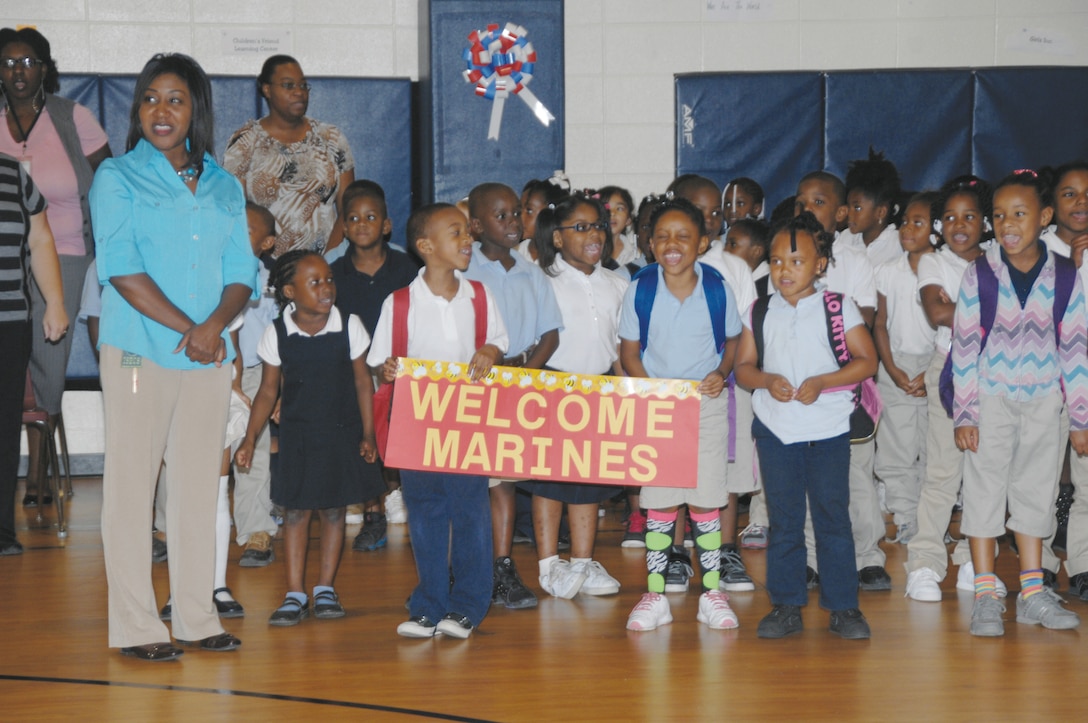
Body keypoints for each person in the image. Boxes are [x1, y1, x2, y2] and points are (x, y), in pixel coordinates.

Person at [91, 53, 255, 660]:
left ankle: (194, 615)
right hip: (139, 354)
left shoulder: (223, 184)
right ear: (138, 110)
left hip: (208, 357)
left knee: (196, 490)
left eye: (176, 99)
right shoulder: (117, 178)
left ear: (196, 111)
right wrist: (193, 329)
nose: (162, 111)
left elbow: (242, 269)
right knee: (132, 488)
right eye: (151, 99)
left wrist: (212, 330)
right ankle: (136, 625)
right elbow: (121, 268)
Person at [952, 170, 1088, 636]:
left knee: (1036, 494)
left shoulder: (1066, 273)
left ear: (1044, 217)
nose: (1007, 223)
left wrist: (1079, 419)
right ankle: (987, 593)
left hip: (1045, 401)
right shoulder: (980, 274)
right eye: (999, 215)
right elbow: (965, 347)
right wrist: (965, 413)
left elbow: (1074, 348)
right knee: (984, 491)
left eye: (1020, 213)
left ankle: (1032, 593)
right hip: (990, 400)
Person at [369, 202, 508, 639]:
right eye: (456, 232)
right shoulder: (400, 302)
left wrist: (490, 352)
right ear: (426, 246)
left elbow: (498, 343)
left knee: (470, 513)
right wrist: (387, 369)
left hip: (468, 425)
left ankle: (468, 605)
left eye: (468, 231)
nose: (467, 239)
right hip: (418, 426)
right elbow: (380, 361)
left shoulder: (480, 296)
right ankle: (429, 603)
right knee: (426, 514)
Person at [736, 212, 877, 640]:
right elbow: (743, 368)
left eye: (796, 261)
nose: (784, 270)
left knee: (833, 516)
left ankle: (844, 606)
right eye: (777, 261)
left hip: (828, 429)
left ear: (820, 264)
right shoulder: (758, 310)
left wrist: (823, 383)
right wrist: (766, 380)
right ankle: (786, 604)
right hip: (776, 430)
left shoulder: (838, 306)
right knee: (785, 518)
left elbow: (866, 360)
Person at [235, 250, 382, 626]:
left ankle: (325, 588)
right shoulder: (277, 332)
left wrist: (369, 433)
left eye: (329, 279)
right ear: (289, 291)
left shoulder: (349, 325)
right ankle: (295, 593)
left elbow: (364, 382)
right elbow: (268, 391)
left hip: (341, 432)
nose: (326, 288)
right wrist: (251, 438)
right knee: (296, 513)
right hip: (298, 435)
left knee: (333, 511)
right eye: (314, 282)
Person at [620, 197, 742, 632]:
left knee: (707, 499)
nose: (672, 245)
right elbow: (629, 352)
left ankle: (712, 593)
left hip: (706, 405)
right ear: (650, 244)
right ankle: (655, 594)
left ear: (703, 243)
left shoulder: (717, 287)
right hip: (658, 406)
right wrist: (651, 389)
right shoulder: (641, 287)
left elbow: (732, 342)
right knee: (659, 503)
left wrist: (720, 373)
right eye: (663, 237)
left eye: (684, 236)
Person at [0, 27, 110, 507]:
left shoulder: (72, 116)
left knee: (48, 357)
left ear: (45, 67)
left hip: (63, 249)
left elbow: (108, 181)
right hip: (6, 253)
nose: (16, 72)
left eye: (27, 62)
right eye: (7, 63)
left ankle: (39, 465)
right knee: (11, 358)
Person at [903, 177, 1005, 602]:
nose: (958, 224)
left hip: (1000, 370)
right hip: (949, 367)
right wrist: (999, 309)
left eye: (969, 216)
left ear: (985, 222)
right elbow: (938, 311)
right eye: (949, 217)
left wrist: (965, 309)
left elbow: (956, 310)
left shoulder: (1002, 256)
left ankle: (972, 563)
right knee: (943, 471)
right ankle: (925, 564)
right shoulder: (933, 261)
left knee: (987, 473)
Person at [464, 182, 562, 611]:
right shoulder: (463, 271)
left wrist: (526, 375)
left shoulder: (531, 272)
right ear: (475, 224)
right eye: (500, 215)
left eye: (517, 213)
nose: (513, 223)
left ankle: (502, 567)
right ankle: (467, 566)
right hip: (473, 381)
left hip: (519, 379)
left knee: (503, 478)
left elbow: (551, 334)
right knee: (469, 479)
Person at [526, 194, 627, 598]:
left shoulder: (618, 283)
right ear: (557, 238)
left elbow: (619, 347)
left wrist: (626, 390)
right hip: (552, 385)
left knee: (588, 478)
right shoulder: (542, 281)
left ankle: (583, 564)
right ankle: (550, 565)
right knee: (549, 479)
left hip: (600, 386)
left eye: (598, 225)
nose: (593, 234)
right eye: (580, 227)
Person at [794, 170, 889, 592]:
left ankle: (867, 556)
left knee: (856, 477)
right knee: (809, 479)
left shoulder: (855, 262)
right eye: (801, 202)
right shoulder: (787, 258)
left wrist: (830, 366)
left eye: (817, 202)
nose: (806, 209)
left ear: (841, 212)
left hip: (846, 385)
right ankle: (811, 558)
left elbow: (863, 324)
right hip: (801, 390)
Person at [668, 174, 759, 594]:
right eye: (697, 211)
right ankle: (676, 551)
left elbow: (743, 330)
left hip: (723, 383)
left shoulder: (732, 266)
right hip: (672, 389)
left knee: (725, 470)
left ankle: (724, 550)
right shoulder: (659, 269)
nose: (709, 220)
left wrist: (731, 376)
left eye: (714, 212)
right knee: (675, 469)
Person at [328, 180, 418, 551]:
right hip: (356, 373)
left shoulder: (409, 268)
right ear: (344, 228)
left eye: (371, 217)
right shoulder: (334, 273)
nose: (362, 224)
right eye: (353, 218)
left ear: (386, 225)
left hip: (402, 370)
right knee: (365, 440)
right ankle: (372, 512)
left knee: (402, 439)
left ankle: (409, 499)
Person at [0, 153, 67, 556]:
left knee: (5, 427)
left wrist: (55, 302)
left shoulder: (12, 173)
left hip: (10, 321)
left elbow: (40, 238)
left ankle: (2, 531)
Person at [224, 55, 354, 257]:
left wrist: (330, 258)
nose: (299, 93)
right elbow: (234, 210)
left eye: (303, 86)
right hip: (266, 266)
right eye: (288, 85)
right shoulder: (245, 141)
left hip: (326, 266)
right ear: (267, 90)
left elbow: (348, 206)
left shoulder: (331, 138)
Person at [872, 192, 937, 546]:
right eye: (905, 222)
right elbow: (880, 323)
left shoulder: (945, 270)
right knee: (896, 449)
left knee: (934, 448)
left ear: (937, 230)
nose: (907, 229)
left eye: (919, 222)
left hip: (936, 363)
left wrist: (931, 374)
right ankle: (906, 517)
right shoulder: (887, 271)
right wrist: (893, 370)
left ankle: (931, 521)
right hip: (895, 363)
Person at [1042, 161, 1088, 602]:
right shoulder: (1034, 251)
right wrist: (1073, 267)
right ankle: (1035, 565)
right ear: (1051, 205)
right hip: (1044, 382)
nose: (1081, 202)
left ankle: (1083, 565)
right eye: (1070, 193)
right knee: (1039, 480)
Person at [232, 203, 280, 567]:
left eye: (246, 230)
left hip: (254, 374)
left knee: (253, 452)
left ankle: (256, 531)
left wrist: (274, 386)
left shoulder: (269, 284)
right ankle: (167, 528)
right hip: (205, 371)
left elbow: (276, 337)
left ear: (266, 243)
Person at [722, 217, 773, 550]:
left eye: (733, 244)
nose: (726, 250)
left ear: (756, 251)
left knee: (765, 451)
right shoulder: (726, 278)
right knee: (743, 452)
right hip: (742, 376)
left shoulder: (771, 283)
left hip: (768, 379)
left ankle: (763, 517)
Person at [840, 148, 904, 267]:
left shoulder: (899, 243)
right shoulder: (845, 239)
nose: (849, 214)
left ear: (881, 212)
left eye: (857, 208)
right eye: (848, 206)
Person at [518, 175, 570, 262]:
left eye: (529, 211)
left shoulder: (565, 258)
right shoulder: (516, 252)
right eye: (519, 209)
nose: (520, 217)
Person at [598, 185, 643, 274]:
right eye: (606, 208)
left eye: (619, 208)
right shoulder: (587, 251)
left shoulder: (636, 255)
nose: (612, 213)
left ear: (629, 219)